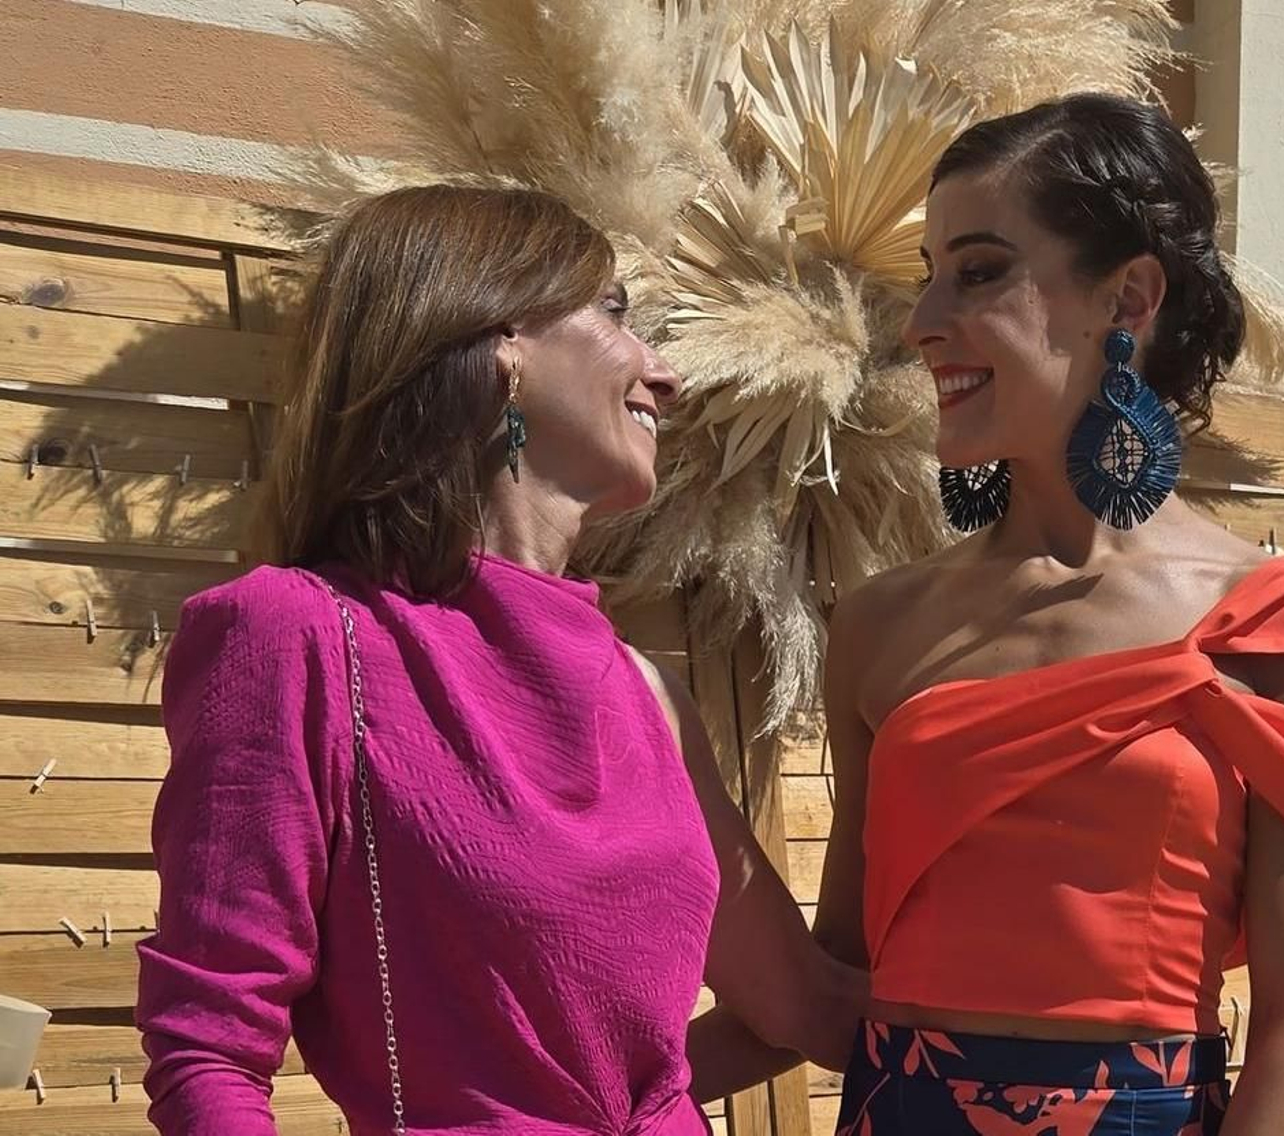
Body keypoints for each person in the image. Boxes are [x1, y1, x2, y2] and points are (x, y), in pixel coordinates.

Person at [135, 184, 862, 1136]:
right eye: (614, 312)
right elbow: (207, 1052)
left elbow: (798, 1010)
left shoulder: (649, 694)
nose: (665, 371)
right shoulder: (300, 637)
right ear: (499, 343)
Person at [814, 94, 1284, 1136]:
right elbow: (835, 975)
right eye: (927, 278)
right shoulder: (876, 625)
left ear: (1126, 295)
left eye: (980, 271)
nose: (920, 323)